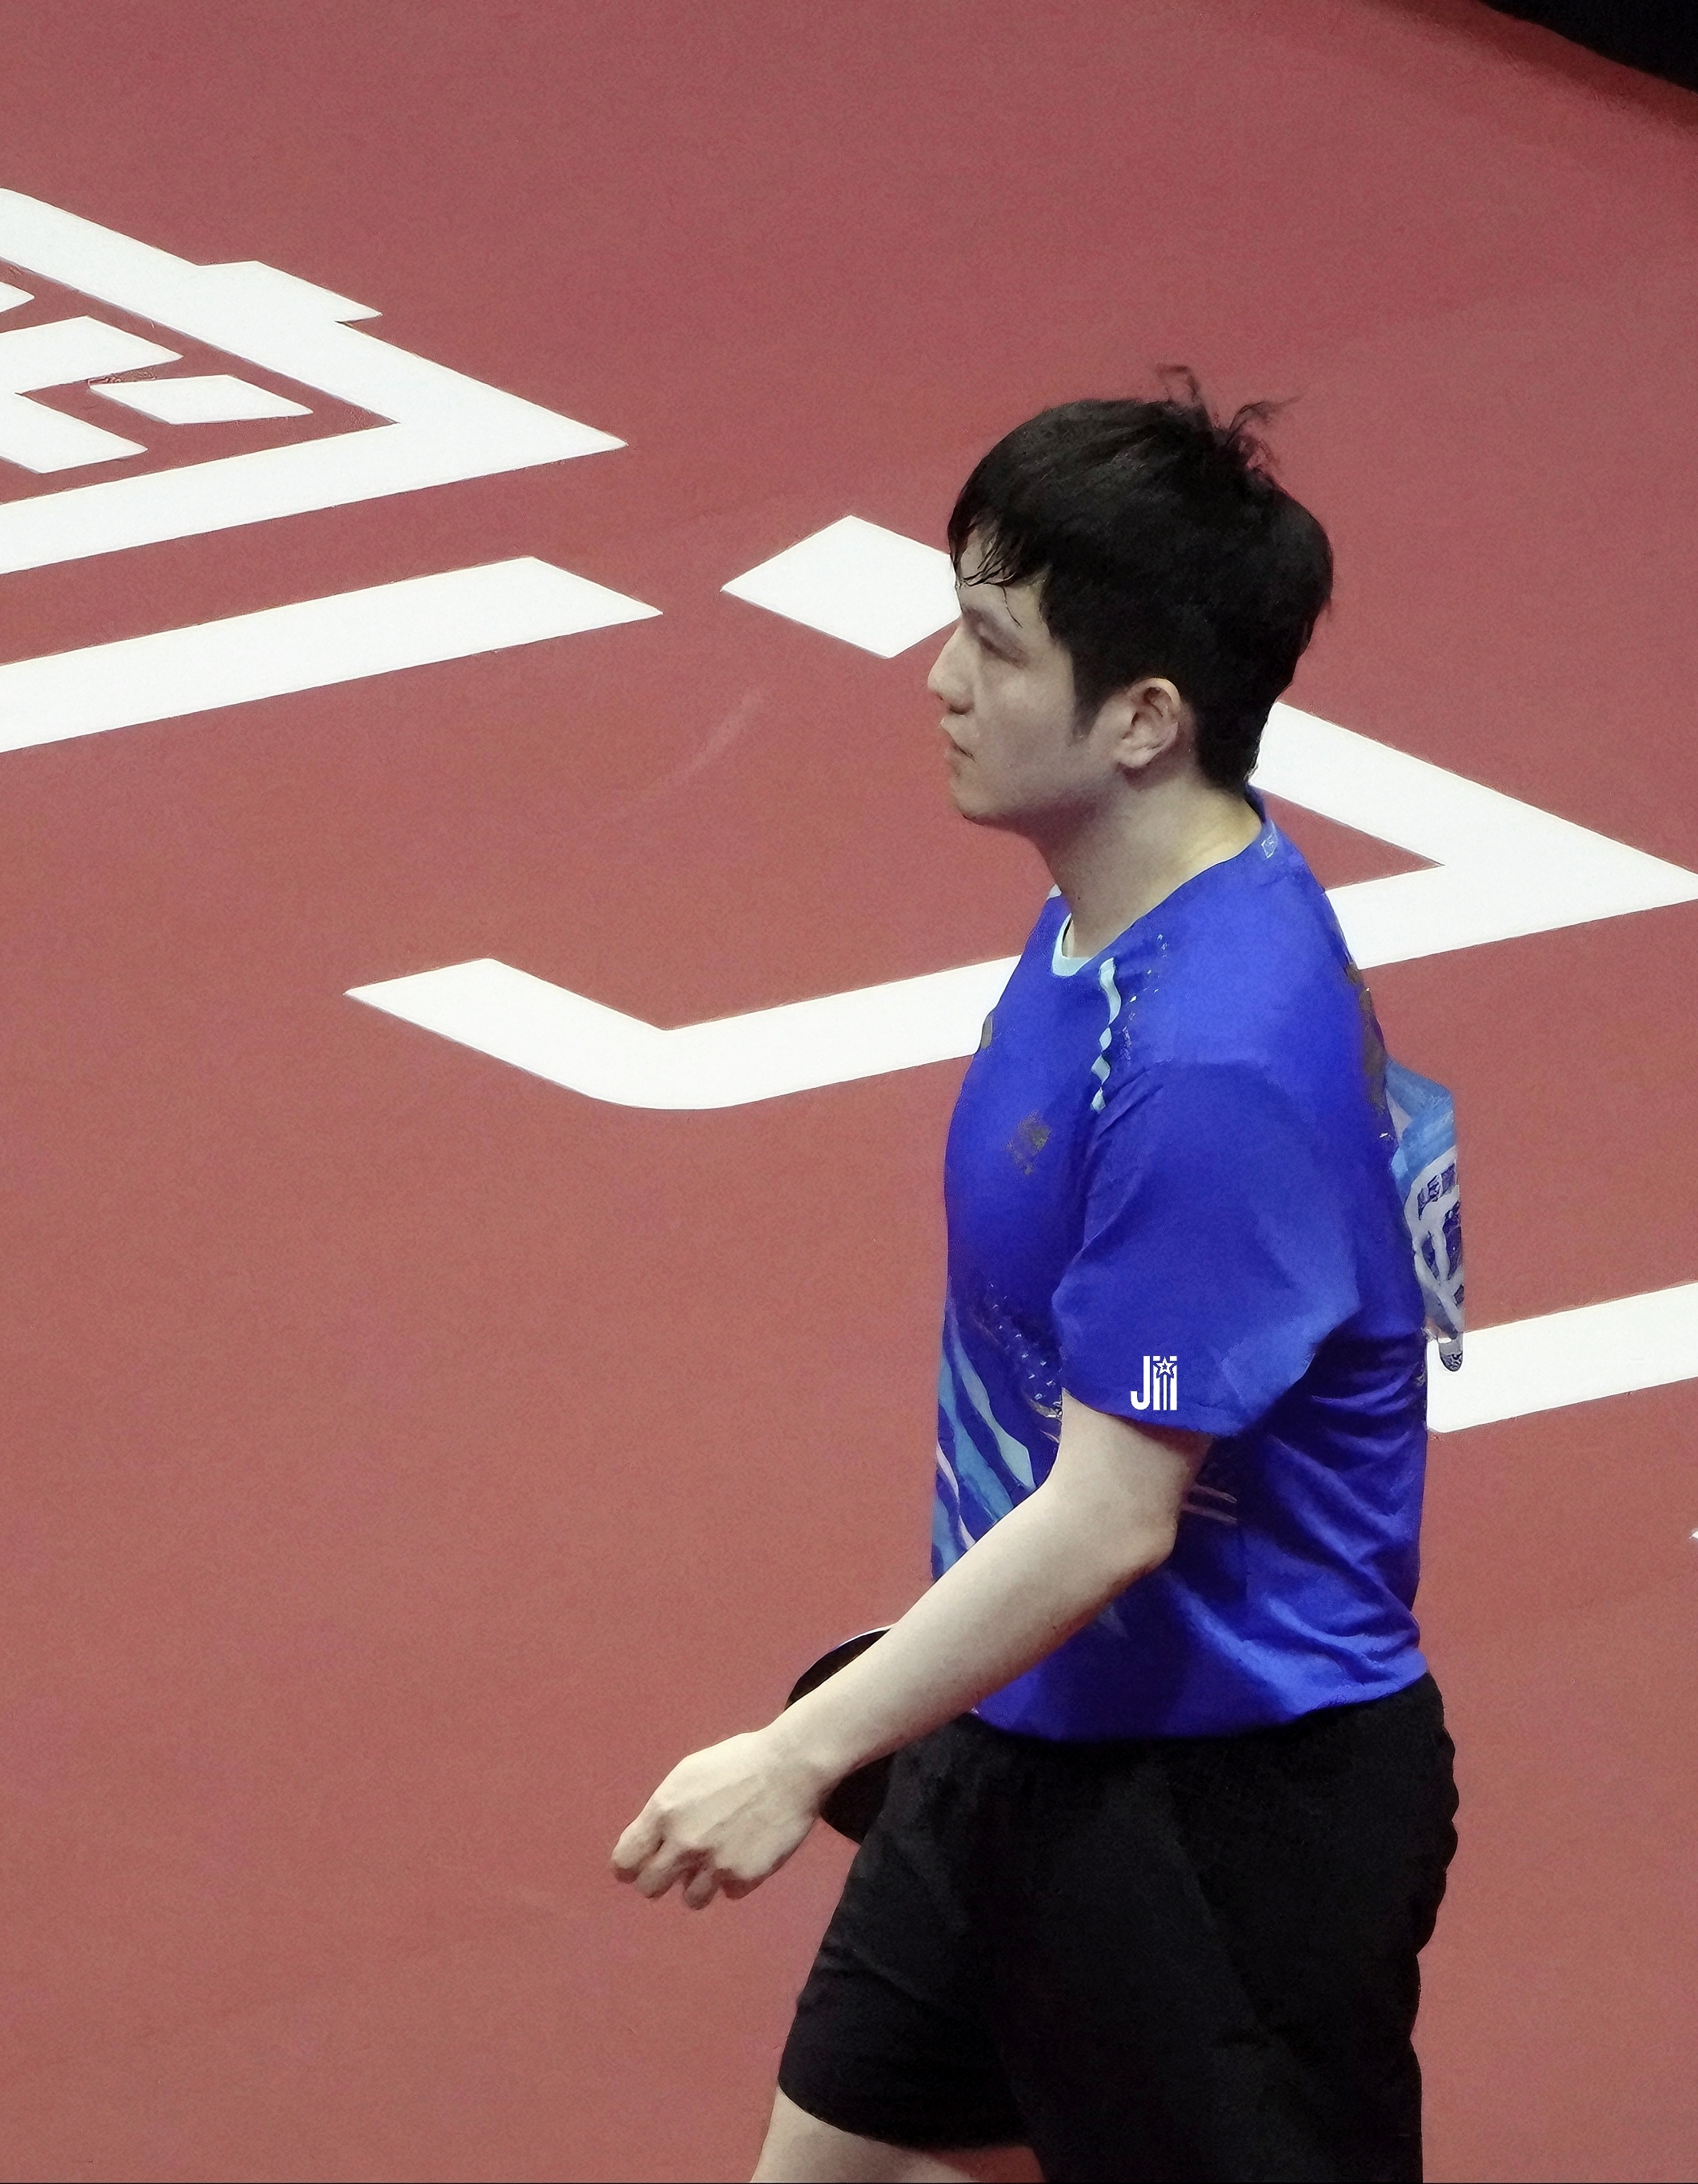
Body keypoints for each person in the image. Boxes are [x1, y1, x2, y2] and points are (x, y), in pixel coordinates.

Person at [611, 379, 1458, 2184]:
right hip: (1023, 1723)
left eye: (994, 648)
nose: (938, 678)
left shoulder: (1209, 1055)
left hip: (1222, 1812)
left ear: (1145, 718)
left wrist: (797, 1754)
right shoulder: (1114, 910)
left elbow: (1113, 1514)